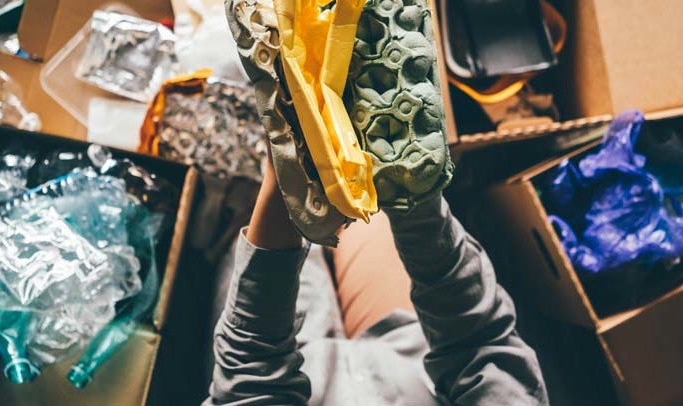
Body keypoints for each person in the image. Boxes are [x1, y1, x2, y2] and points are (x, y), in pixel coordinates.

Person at [204, 156, 549, 405]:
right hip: (407, 364)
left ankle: (252, 198)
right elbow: (480, 346)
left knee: (246, 235)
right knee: (368, 200)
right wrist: (418, 207)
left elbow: (251, 375)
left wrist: (282, 188)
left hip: (295, 373)